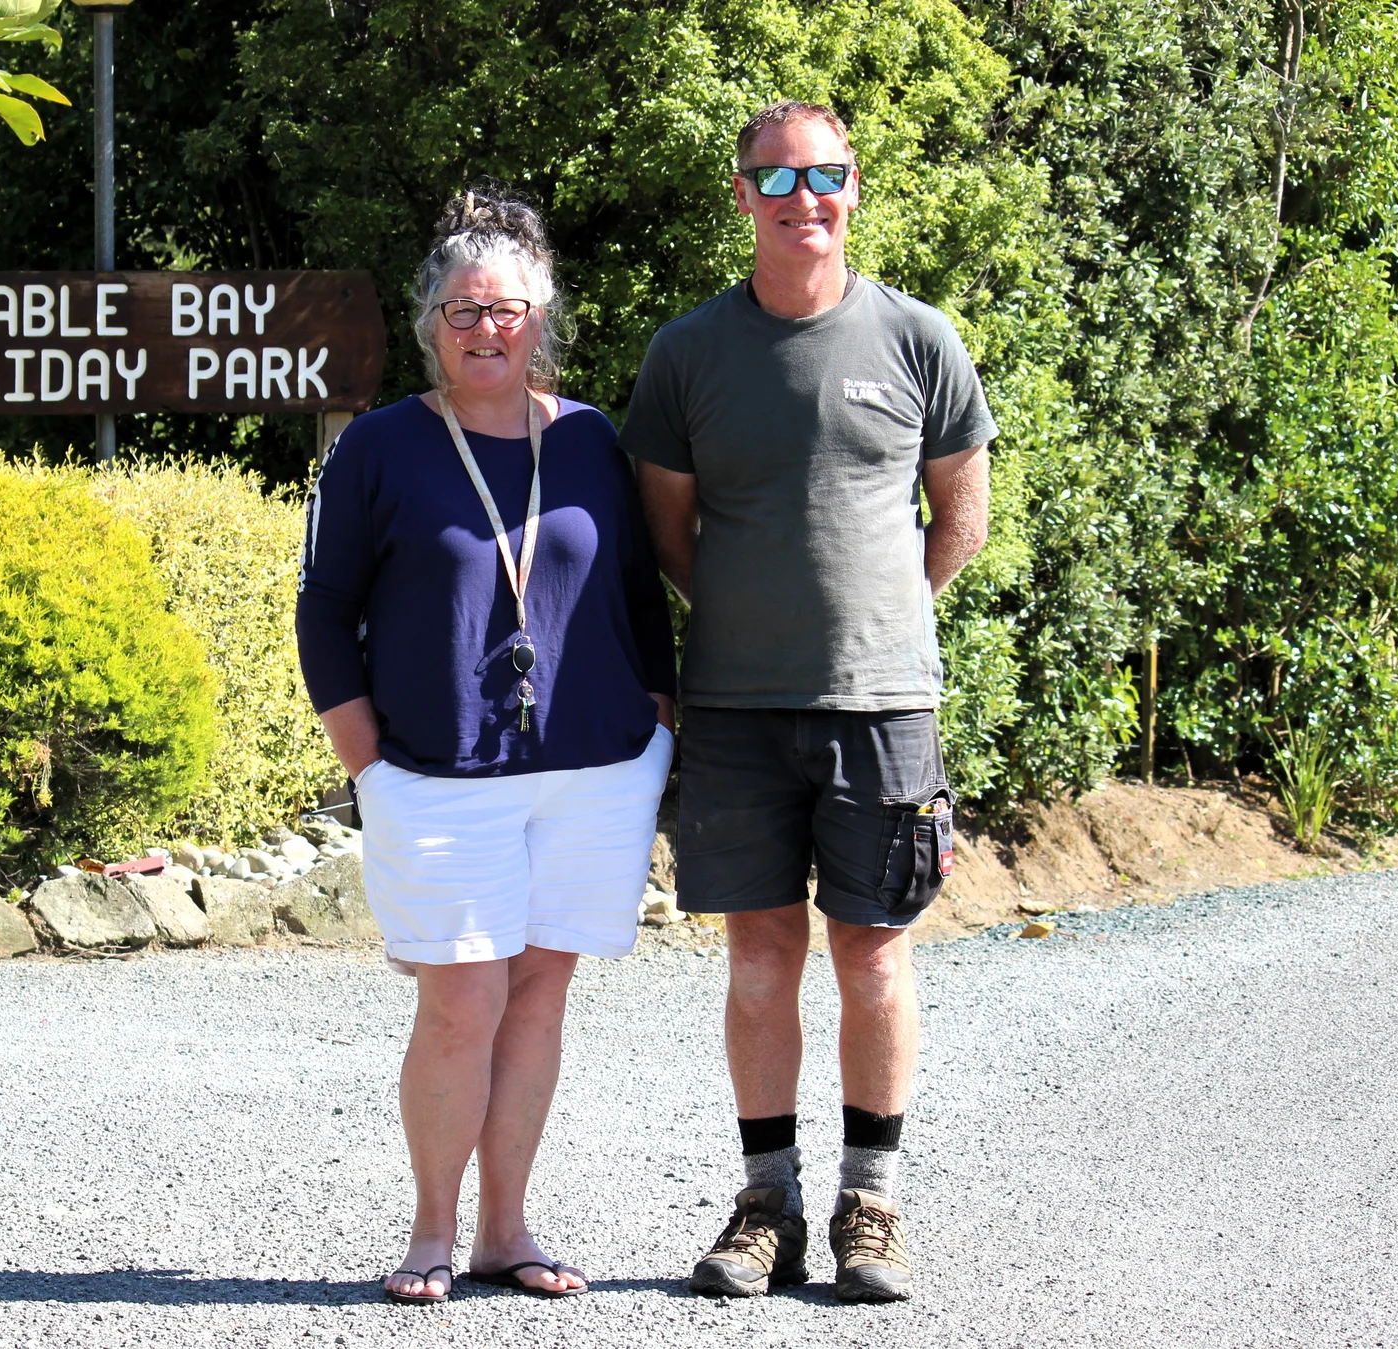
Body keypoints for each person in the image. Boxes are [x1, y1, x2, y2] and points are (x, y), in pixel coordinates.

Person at [621, 101, 996, 1303]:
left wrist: (872, 626)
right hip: (735, 709)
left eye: (823, 175)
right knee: (760, 956)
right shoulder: (688, 354)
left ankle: (870, 1205)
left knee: (873, 956)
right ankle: (765, 1201)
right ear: (742, 196)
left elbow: (961, 521)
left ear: (851, 186)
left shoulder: (919, 337)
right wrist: (757, 623)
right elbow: (668, 535)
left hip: (885, 708)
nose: (802, 198)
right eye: (776, 179)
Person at [295, 187, 678, 1306]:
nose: (484, 329)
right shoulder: (379, 446)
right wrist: (364, 758)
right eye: (462, 309)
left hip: (595, 771)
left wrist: (656, 720)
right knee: (461, 998)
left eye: (505, 308)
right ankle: (428, 1229)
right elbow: (325, 609)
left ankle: (508, 1226)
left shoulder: (597, 437)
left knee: (541, 994)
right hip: (437, 773)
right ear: (432, 321)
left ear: (540, 315)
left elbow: (640, 591)